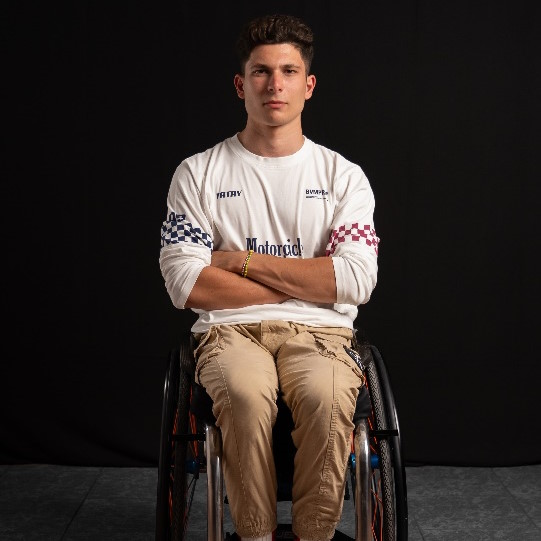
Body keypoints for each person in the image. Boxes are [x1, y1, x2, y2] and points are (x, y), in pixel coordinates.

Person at [159, 13, 379, 541]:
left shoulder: (343, 176)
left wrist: (239, 261)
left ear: (309, 86)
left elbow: (354, 280)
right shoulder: (198, 172)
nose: (274, 84)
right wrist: (308, 278)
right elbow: (184, 284)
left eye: (287, 71)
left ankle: (314, 535)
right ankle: (254, 535)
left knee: (328, 401)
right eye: (260, 71)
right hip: (228, 332)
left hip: (321, 336)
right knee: (243, 391)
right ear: (241, 85)